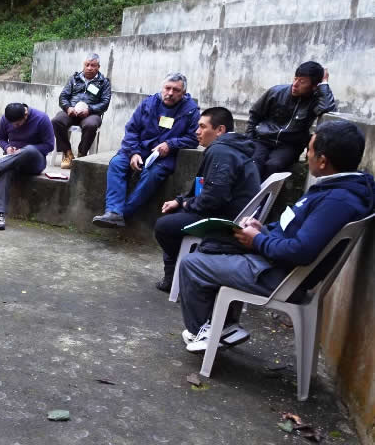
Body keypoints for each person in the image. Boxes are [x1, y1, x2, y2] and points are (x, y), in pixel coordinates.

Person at [179, 121, 373, 353]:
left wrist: (257, 240)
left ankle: (206, 330)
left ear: (323, 161)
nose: (306, 155)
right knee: (214, 244)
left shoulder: (337, 201)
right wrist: (262, 229)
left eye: (309, 150)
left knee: (192, 264)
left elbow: (300, 251)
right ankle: (224, 325)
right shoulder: (336, 188)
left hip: (279, 277)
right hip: (276, 263)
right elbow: (297, 229)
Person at [153, 107, 260, 292]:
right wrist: (180, 200)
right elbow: (204, 187)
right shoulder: (229, 148)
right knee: (174, 212)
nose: (197, 131)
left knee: (164, 226)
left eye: (202, 127)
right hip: (228, 213)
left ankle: (182, 272)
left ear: (220, 130)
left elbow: (213, 198)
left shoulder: (222, 151)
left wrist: (187, 203)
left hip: (226, 220)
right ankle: (174, 276)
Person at [93, 72, 200, 228]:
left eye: (176, 90)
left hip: (165, 157)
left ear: (183, 93)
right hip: (140, 149)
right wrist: (133, 152)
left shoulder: (191, 110)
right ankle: (113, 211)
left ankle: (122, 214)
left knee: (152, 175)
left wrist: (170, 144)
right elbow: (132, 130)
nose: (170, 93)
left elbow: (194, 138)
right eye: (167, 88)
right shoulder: (149, 103)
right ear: (162, 88)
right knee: (117, 163)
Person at [0, 103, 55, 230]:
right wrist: (7, 148)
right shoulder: (5, 119)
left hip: (35, 161)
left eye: (18, 124)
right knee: (5, 170)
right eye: (12, 124)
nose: (15, 126)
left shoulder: (42, 119)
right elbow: (1, 139)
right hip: (12, 160)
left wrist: (23, 150)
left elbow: (49, 145)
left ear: (25, 115)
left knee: (29, 150)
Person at [247, 61, 336, 180]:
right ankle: (249, 192)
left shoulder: (315, 100)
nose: (295, 84)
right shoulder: (276, 92)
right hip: (262, 139)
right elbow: (254, 114)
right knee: (253, 163)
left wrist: (324, 84)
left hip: (289, 145)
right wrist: (248, 140)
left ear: (314, 86)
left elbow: (328, 110)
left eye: (302, 81)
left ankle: (265, 193)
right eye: (295, 79)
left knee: (273, 166)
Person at [52, 53, 112, 169]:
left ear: (98, 67)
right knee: (57, 121)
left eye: (93, 65)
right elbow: (63, 97)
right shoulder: (74, 78)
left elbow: (105, 103)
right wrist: (68, 107)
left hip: (91, 114)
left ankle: (81, 156)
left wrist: (89, 109)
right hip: (72, 111)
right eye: (87, 65)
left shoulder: (104, 82)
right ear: (83, 65)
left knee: (91, 125)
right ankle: (68, 153)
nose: (89, 68)